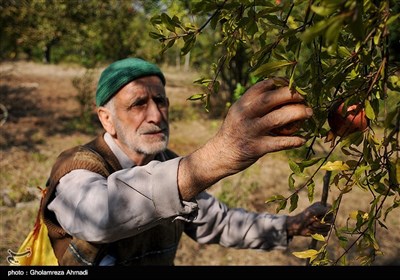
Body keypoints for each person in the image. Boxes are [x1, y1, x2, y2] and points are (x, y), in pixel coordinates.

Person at [40, 57, 332, 266]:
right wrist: (217, 156)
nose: (156, 115)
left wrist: (289, 226)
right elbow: (98, 217)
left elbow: (218, 222)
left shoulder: (166, 163)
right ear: (106, 118)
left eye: (161, 101)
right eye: (138, 104)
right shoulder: (77, 167)